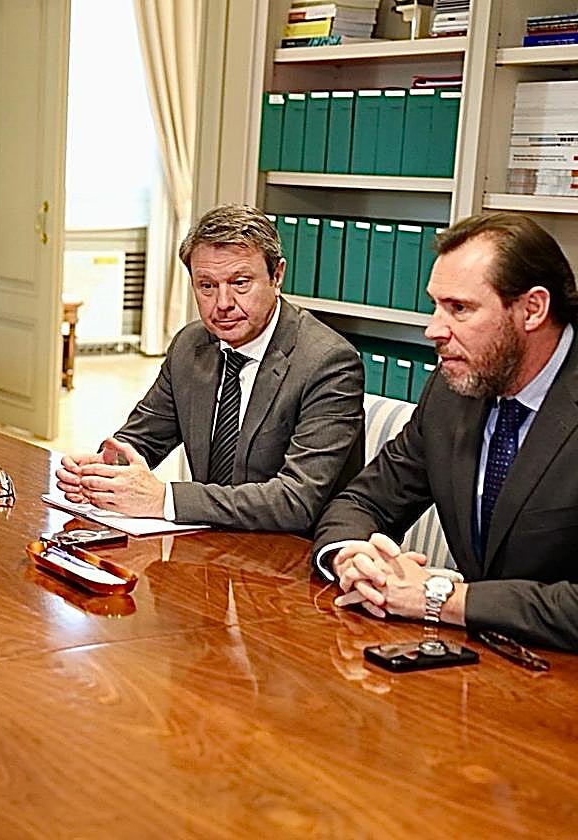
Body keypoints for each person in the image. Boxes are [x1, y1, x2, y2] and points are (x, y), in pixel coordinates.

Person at [315, 212, 578, 650]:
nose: (433, 330)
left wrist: (442, 598)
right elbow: (364, 500)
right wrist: (353, 557)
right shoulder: (453, 389)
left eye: (459, 309)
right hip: (476, 667)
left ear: (532, 308)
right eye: (436, 305)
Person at [55, 204, 365, 533]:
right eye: (206, 286)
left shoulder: (329, 363)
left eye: (240, 283)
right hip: (208, 543)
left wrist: (164, 500)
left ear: (277, 276)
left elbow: (295, 501)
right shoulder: (192, 345)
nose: (223, 303)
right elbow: (141, 439)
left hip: (292, 553)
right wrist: (102, 473)